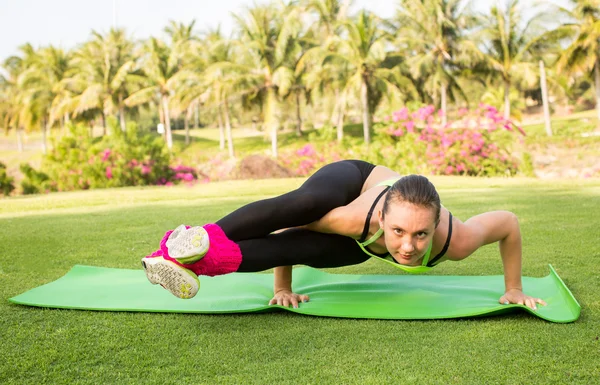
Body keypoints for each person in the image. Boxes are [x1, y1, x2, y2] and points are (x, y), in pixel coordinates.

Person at [141, 159, 546, 310]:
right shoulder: (356, 220)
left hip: (359, 246)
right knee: (304, 206)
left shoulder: (456, 241)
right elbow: (283, 229)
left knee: (316, 250)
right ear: (384, 221)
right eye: (399, 232)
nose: (407, 247)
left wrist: (514, 288)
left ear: (437, 224)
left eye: (421, 235)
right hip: (351, 182)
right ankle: (196, 241)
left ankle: (192, 260)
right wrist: (283, 284)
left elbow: (508, 223)